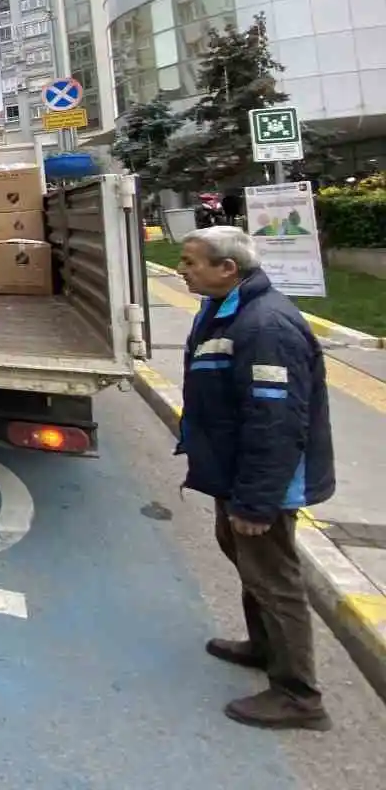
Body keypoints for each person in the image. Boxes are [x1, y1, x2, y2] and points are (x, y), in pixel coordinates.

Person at [176, 226, 335, 731]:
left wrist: (256, 501)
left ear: (227, 268)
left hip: (260, 480)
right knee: (249, 563)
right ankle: (264, 646)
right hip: (235, 471)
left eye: (191, 262)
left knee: (274, 578)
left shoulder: (265, 327)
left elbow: (276, 422)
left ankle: (299, 696)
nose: (182, 269)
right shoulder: (227, 308)